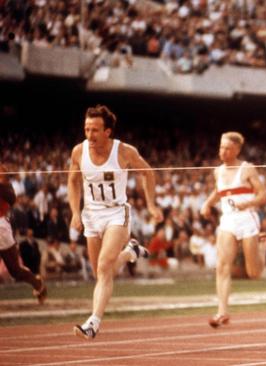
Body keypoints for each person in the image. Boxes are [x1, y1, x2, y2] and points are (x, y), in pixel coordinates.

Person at [68, 105, 163, 340]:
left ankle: (93, 324)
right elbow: (72, 182)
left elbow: (148, 172)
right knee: (102, 272)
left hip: (116, 214)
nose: (90, 135)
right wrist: (75, 212)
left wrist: (151, 205)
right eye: (87, 129)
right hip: (91, 215)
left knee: (103, 266)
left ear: (107, 131)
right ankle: (131, 252)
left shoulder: (124, 151)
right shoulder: (78, 152)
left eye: (95, 130)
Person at [200, 131, 266, 328]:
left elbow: (263, 195)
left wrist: (246, 204)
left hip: (247, 219)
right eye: (221, 147)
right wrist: (207, 204)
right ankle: (222, 311)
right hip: (228, 220)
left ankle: (263, 247)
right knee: (222, 266)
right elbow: (219, 192)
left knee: (253, 273)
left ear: (237, 150)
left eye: (227, 148)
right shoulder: (218, 171)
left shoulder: (247, 169)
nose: (223, 152)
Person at [0, 165, 48, 304]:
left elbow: (12, 198)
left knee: (15, 271)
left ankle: (38, 284)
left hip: (1, 225)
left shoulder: (2, 171)